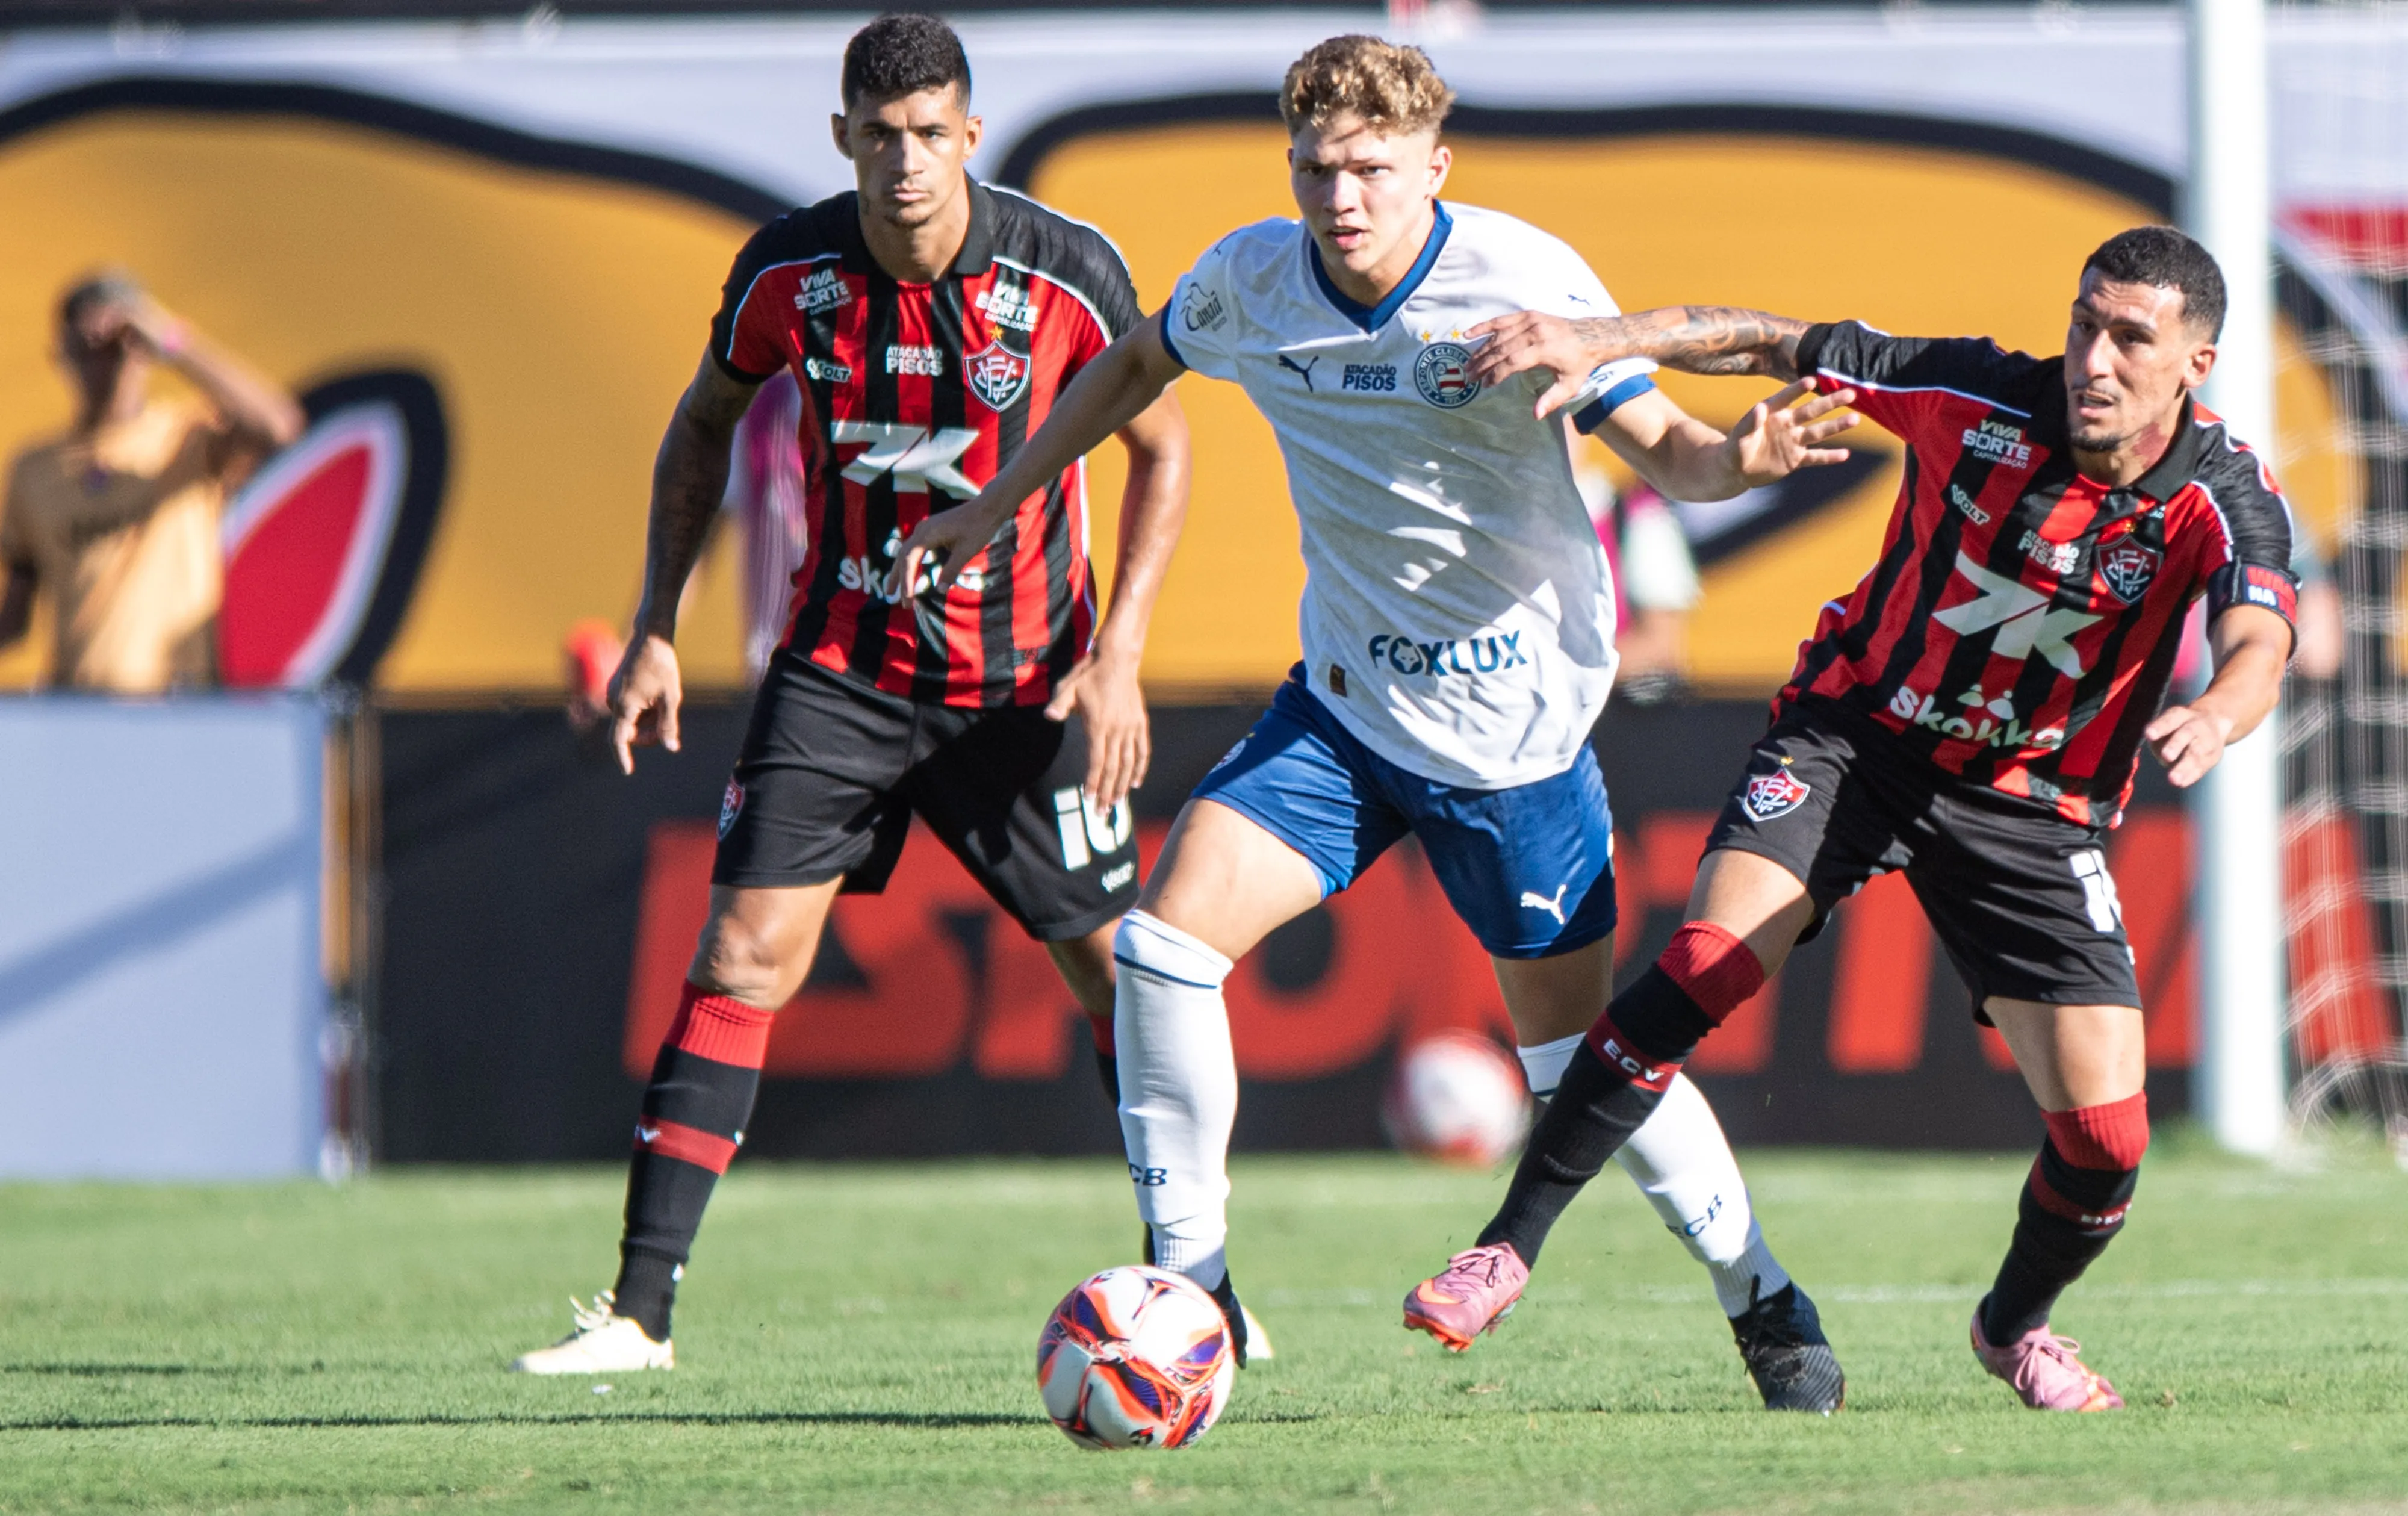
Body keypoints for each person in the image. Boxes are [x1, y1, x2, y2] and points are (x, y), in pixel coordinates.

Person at [894, 35, 1858, 1410]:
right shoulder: (1249, 279)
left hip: (1512, 745)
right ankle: (1193, 1287)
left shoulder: (1521, 281)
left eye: (1369, 168)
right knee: (1164, 948)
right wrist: (1000, 497)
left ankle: (1760, 1293)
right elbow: (1130, 370)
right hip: (1343, 713)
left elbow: (1668, 450)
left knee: (1577, 1066)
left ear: (1432, 167)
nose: (1339, 196)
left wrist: (1736, 458)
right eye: (1314, 167)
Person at [1407, 226, 2295, 1412]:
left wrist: (2222, 711)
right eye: (2084, 321)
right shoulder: (1971, 392)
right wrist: (1595, 337)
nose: (2093, 356)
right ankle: (1502, 1247)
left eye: (2130, 338)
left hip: (2031, 809)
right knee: (1701, 963)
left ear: (2195, 361)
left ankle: (2011, 1325)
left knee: (2104, 1145)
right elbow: (1764, 334)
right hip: (1856, 742)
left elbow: (2258, 630)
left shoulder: (2218, 492)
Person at [511, 12, 1191, 1374]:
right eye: (878, 138)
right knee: (739, 959)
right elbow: (701, 423)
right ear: (842, 138)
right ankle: (639, 1315)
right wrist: (655, 626)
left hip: (1026, 689)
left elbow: (1162, 449)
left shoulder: (1068, 275)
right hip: (842, 667)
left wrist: (1117, 656)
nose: (906, 165)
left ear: (970, 136)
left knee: (1116, 972)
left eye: (930, 134)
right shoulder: (788, 274)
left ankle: (1200, 1282)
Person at [0, 273, 302, 691]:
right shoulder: (33, 468)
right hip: (77, 702)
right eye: (87, 347)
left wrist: (173, 341)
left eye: (119, 345)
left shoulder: (185, 435)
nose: (104, 361)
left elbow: (276, 425)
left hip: (179, 699)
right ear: (61, 353)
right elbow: (15, 614)